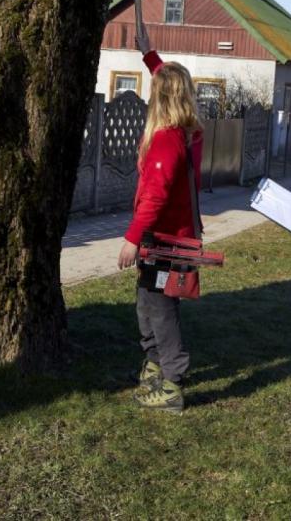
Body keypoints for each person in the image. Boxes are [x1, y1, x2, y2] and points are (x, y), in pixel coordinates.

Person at [117, 36, 203, 414]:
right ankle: (154, 364)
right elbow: (170, 78)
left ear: (161, 98)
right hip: (175, 238)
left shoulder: (167, 141)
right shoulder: (189, 132)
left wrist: (132, 240)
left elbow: (154, 198)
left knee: (161, 309)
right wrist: (150, 56)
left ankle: (171, 382)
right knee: (147, 304)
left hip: (166, 241)